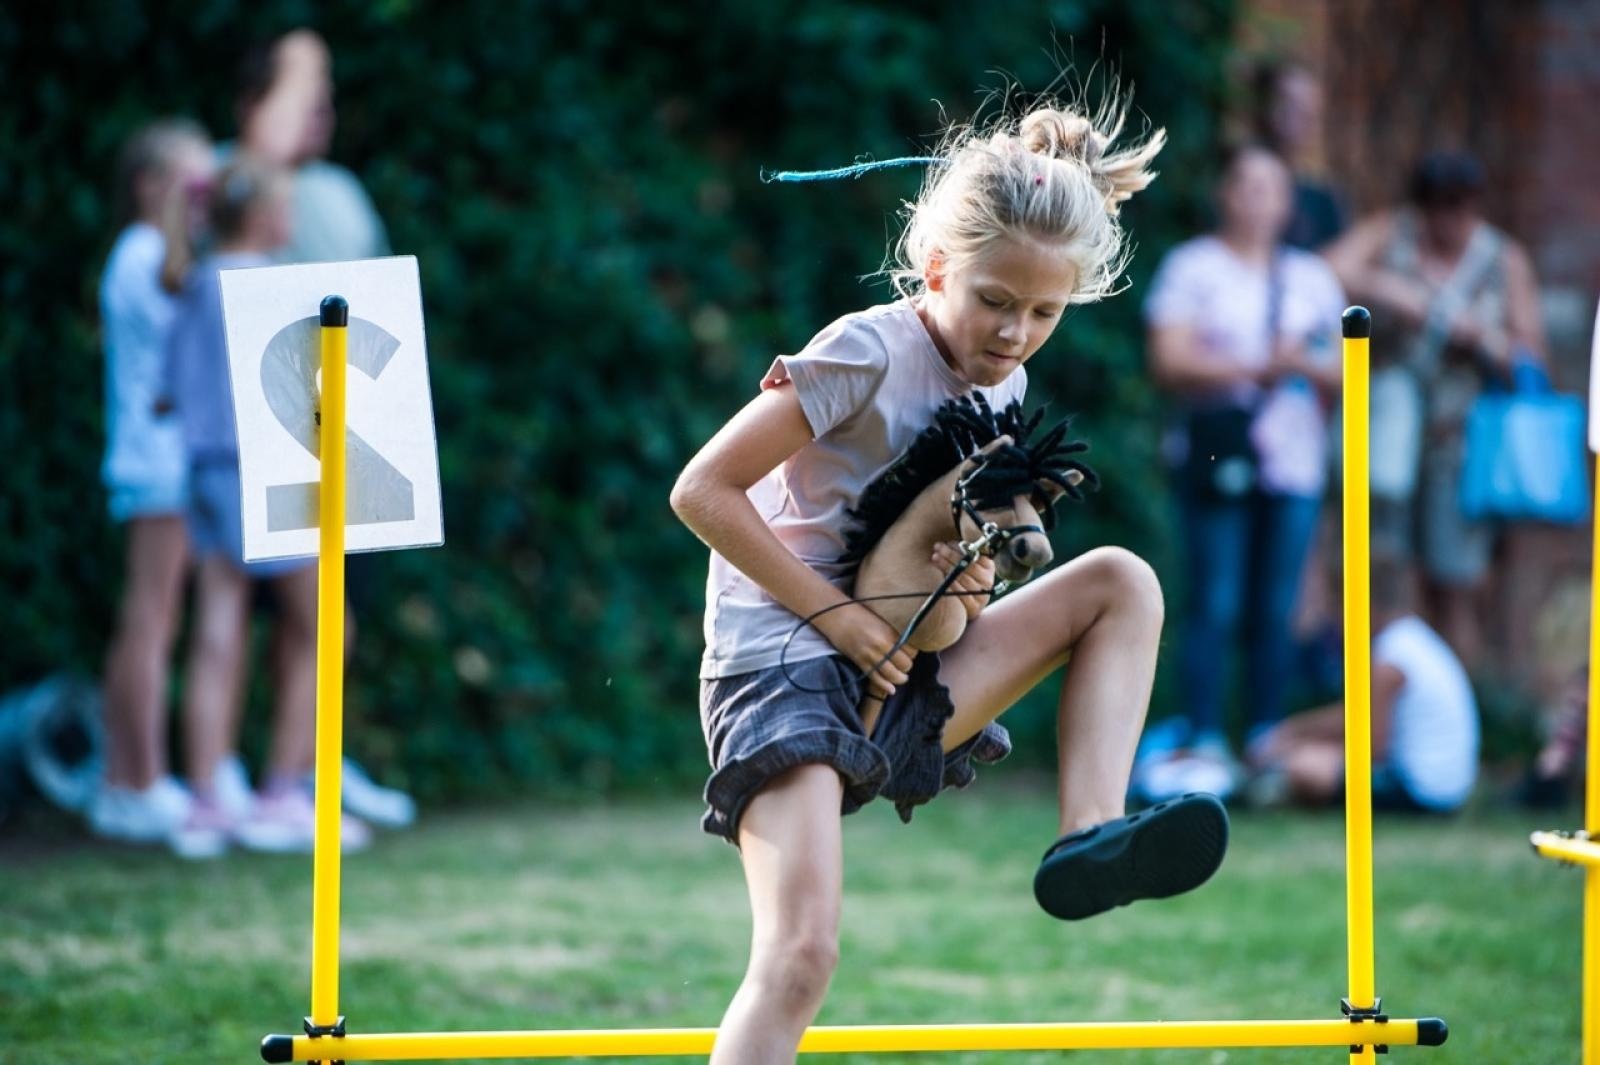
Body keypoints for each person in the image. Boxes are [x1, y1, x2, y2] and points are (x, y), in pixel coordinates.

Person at [671, 99, 1230, 1065]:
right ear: (938, 271)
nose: (1016, 333)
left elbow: (933, 567)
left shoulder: (1000, 385)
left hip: (897, 663)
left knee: (1121, 581)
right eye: (995, 302)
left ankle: (1087, 832)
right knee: (801, 955)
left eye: (1045, 312)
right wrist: (841, 618)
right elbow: (702, 490)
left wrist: (961, 584)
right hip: (783, 664)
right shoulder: (866, 350)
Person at [158, 157, 371, 859]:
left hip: (206, 472)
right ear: (260, 214)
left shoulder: (197, 280)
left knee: (218, 632)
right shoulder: (272, 286)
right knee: (328, 625)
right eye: (286, 206)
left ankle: (206, 798)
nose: (294, 218)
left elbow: (169, 391)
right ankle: (284, 790)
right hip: (263, 473)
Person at [233, 29, 414, 829]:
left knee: (331, 617)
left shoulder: (340, 188)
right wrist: (304, 59)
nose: (320, 111)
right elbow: (267, 150)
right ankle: (279, 782)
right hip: (265, 433)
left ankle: (313, 763)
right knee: (293, 619)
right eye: (306, 93)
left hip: (349, 431)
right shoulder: (231, 175)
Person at [1138, 143, 1346, 795]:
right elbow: (1169, 360)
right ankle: (1202, 739)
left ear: (1289, 202)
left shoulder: (1312, 277)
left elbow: (1345, 369)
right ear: (1224, 193)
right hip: (1215, 455)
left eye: (1271, 187)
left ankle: (1265, 740)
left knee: (1276, 606)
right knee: (1214, 600)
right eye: (1246, 185)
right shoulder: (1192, 267)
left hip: (1293, 464)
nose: (1258, 199)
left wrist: (1291, 364)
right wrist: (1263, 364)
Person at [1324, 152, 1547, 667]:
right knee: (1388, 573)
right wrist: (1396, 292)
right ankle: (1385, 706)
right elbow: (1329, 265)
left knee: (1454, 581)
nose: (1452, 221)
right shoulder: (1393, 233)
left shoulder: (1501, 258)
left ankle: (1456, 709)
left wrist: (1484, 338)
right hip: (1390, 438)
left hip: (1460, 445)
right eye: (1441, 208)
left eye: (1462, 207)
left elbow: (1532, 360)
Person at [90, 118, 216, 844]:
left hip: (162, 463)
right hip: (156, 464)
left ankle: (127, 778)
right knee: (150, 622)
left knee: (151, 620)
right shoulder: (144, 257)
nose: (203, 198)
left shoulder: (147, 256)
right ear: (149, 184)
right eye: (191, 183)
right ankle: (140, 781)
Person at [1245, 555, 1479, 813]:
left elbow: (1372, 747)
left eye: (1336, 605)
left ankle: (1266, 790)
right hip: (1443, 788)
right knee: (1307, 757)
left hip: (1421, 791)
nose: (1334, 618)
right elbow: (1355, 715)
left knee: (1306, 767)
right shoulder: (1410, 639)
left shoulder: (1390, 659)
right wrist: (1292, 733)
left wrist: (1292, 743)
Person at [1250, 59, 1345, 250]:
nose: (1305, 117)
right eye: (1292, 105)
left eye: (1311, 110)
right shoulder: (1238, 185)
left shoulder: (1322, 200)